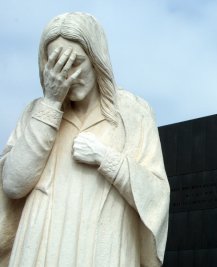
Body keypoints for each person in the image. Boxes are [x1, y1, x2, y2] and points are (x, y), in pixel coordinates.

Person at [0, 12, 170, 267]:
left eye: (75, 62)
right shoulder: (35, 113)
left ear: (96, 59)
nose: (66, 75)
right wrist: (51, 104)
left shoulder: (133, 113)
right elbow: (13, 185)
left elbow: (156, 195)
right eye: (57, 65)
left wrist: (106, 159)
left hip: (103, 244)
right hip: (40, 245)